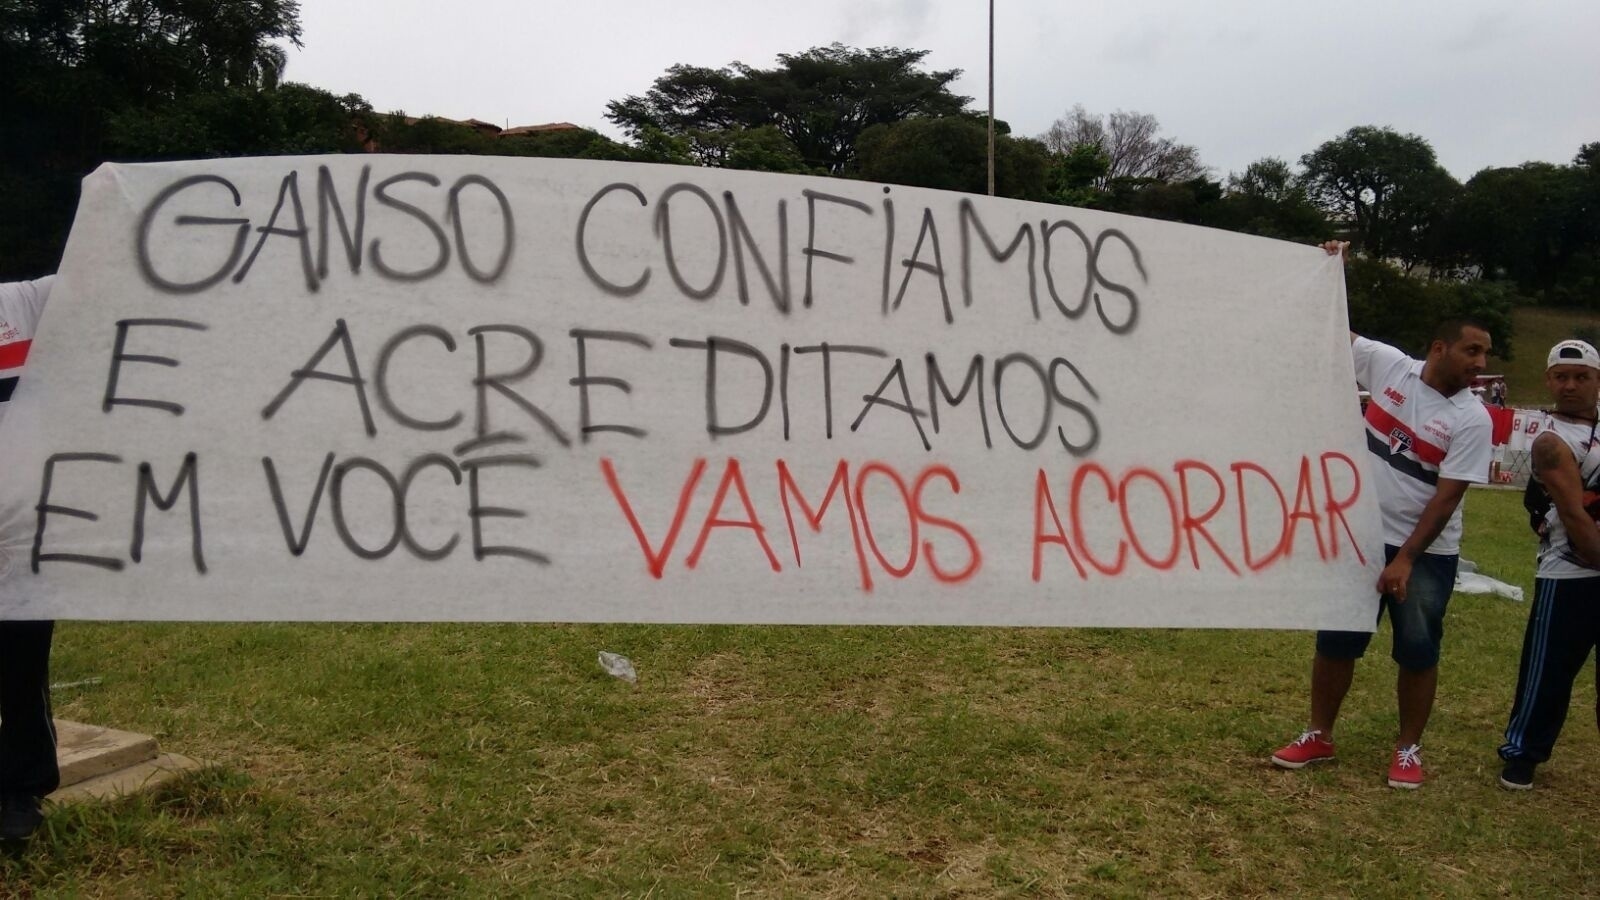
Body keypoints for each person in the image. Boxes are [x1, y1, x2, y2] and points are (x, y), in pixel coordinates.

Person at [1270, 241, 1493, 788]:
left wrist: (1407, 560)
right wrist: (1329, 273)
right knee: (1336, 640)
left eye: (1485, 354)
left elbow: (1447, 496)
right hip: (1359, 536)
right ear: (1439, 348)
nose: (1481, 363)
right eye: (1472, 351)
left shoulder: (1473, 418)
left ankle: (1408, 749)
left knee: (1417, 650)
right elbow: (1332, 333)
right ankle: (1319, 734)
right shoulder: (1390, 365)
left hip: (1424, 553)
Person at [1496, 340, 1600, 790]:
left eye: (1581, 377)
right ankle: (1523, 753)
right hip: (1569, 573)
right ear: (1548, 381)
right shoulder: (1551, 442)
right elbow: (1575, 516)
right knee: (1548, 671)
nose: (1571, 385)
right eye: (1561, 376)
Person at [0, 274, 57, 842]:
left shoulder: (26, 302)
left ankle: (19, 789)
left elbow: (119, 267)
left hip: (18, 535)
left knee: (20, 668)